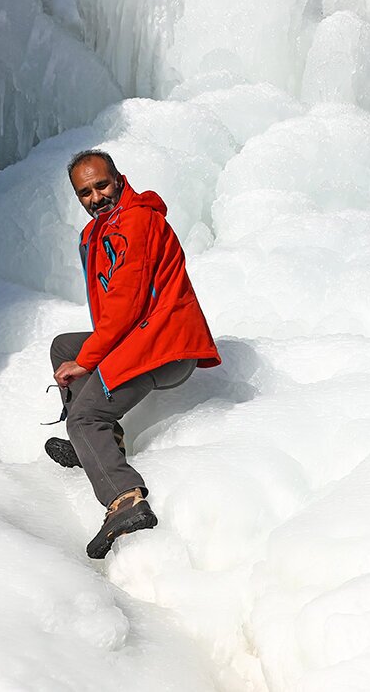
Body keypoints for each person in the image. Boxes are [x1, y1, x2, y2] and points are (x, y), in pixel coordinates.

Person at [46, 149, 221, 558]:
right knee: (64, 347)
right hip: (143, 338)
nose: (95, 197)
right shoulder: (99, 232)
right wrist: (84, 355)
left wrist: (89, 362)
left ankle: (125, 500)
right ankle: (100, 444)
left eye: (102, 185)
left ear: (120, 179)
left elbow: (125, 306)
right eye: (84, 192)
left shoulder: (136, 221)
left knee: (86, 415)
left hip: (165, 346)